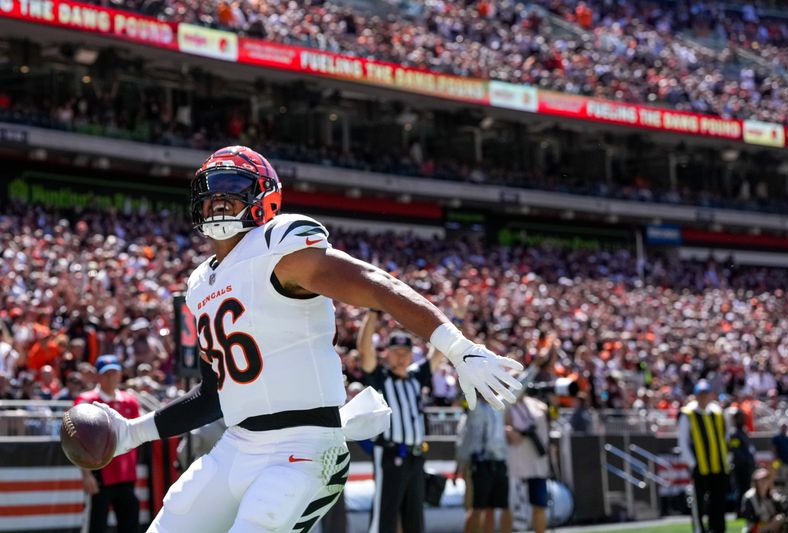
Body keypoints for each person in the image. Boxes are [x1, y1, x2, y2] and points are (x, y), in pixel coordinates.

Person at [95, 145, 523, 533]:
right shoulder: (200, 285)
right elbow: (212, 396)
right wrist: (132, 433)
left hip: (304, 447)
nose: (218, 199)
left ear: (265, 198)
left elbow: (377, 285)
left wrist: (457, 347)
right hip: (237, 444)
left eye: (233, 188)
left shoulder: (278, 246)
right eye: (210, 191)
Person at [358, 312, 444, 533]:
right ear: (387, 353)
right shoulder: (381, 377)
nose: (401, 357)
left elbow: (438, 354)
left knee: (414, 519)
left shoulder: (415, 377)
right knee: (384, 517)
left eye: (405, 353)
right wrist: (372, 315)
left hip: (416, 456)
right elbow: (365, 352)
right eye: (396, 352)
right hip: (390, 454)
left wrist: (452, 322)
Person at [75, 355, 140, 533]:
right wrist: (86, 475)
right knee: (96, 526)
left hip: (126, 475)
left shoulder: (130, 401)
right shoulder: (86, 401)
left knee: (130, 525)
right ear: (98, 376)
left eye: (114, 373)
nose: (111, 378)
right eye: (107, 374)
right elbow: (77, 440)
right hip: (99, 475)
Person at [678, 379, 730, 533]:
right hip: (700, 466)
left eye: (706, 393)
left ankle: (718, 529)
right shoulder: (688, 413)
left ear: (711, 395)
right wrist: (692, 463)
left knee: (718, 501)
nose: (703, 397)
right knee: (698, 502)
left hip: (718, 465)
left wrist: (726, 458)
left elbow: (726, 436)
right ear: (695, 395)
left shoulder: (718, 412)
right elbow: (683, 441)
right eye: (700, 394)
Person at [457, 396, 512, 533]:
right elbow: (462, 442)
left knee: (498, 507)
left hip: (498, 462)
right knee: (476, 508)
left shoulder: (498, 406)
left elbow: (516, 390)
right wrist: (459, 464)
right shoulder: (473, 407)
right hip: (479, 464)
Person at [506, 386, 551, 533]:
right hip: (515, 466)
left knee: (539, 505)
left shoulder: (536, 404)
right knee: (510, 507)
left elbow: (549, 417)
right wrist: (508, 431)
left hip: (537, 464)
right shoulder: (504, 404)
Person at [741, 468, 788, 533]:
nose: (763, 482)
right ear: (756, 482)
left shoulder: (771, 495)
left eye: (766, 479)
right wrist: (767, 522)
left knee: (781, 520)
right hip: (755, 527)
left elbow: (783, 510)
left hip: (770, 524)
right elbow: (749, 517)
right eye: (761, 480)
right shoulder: (749, 496)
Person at [729, 408, 756, 508]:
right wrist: (745, 460)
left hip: (747, 466)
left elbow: (750, 449)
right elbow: (735, 450)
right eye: (739, 418)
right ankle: (739, 510)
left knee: (747, 488)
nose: (742, 419)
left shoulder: (744, 432)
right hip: (740, 467)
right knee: (740, 489)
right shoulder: (734, 434)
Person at [772, 424, 788, 497]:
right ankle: (782, 496)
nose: (784, 429)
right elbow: (774, 450)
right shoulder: (777, 438)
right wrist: (776, 463)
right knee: (782, 480)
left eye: (785, 428)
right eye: (783, 428)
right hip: (782, 463)